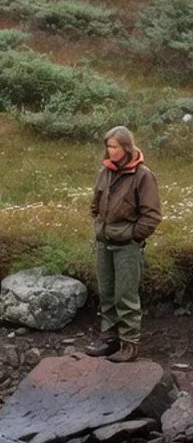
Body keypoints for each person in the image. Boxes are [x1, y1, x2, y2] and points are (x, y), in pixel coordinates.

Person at [85, 125, 161, 363]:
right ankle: (110, 341)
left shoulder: (143, 176)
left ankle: (129, 346)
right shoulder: (105, 172)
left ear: (126, 148)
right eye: (108, 146)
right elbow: (95, 204)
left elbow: (152, 215)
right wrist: (99, 226)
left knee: (125, 295)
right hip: (104, 242)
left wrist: (134, 236)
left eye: (114, 147)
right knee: (106, 293)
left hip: (127, 245)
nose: (109, 151)